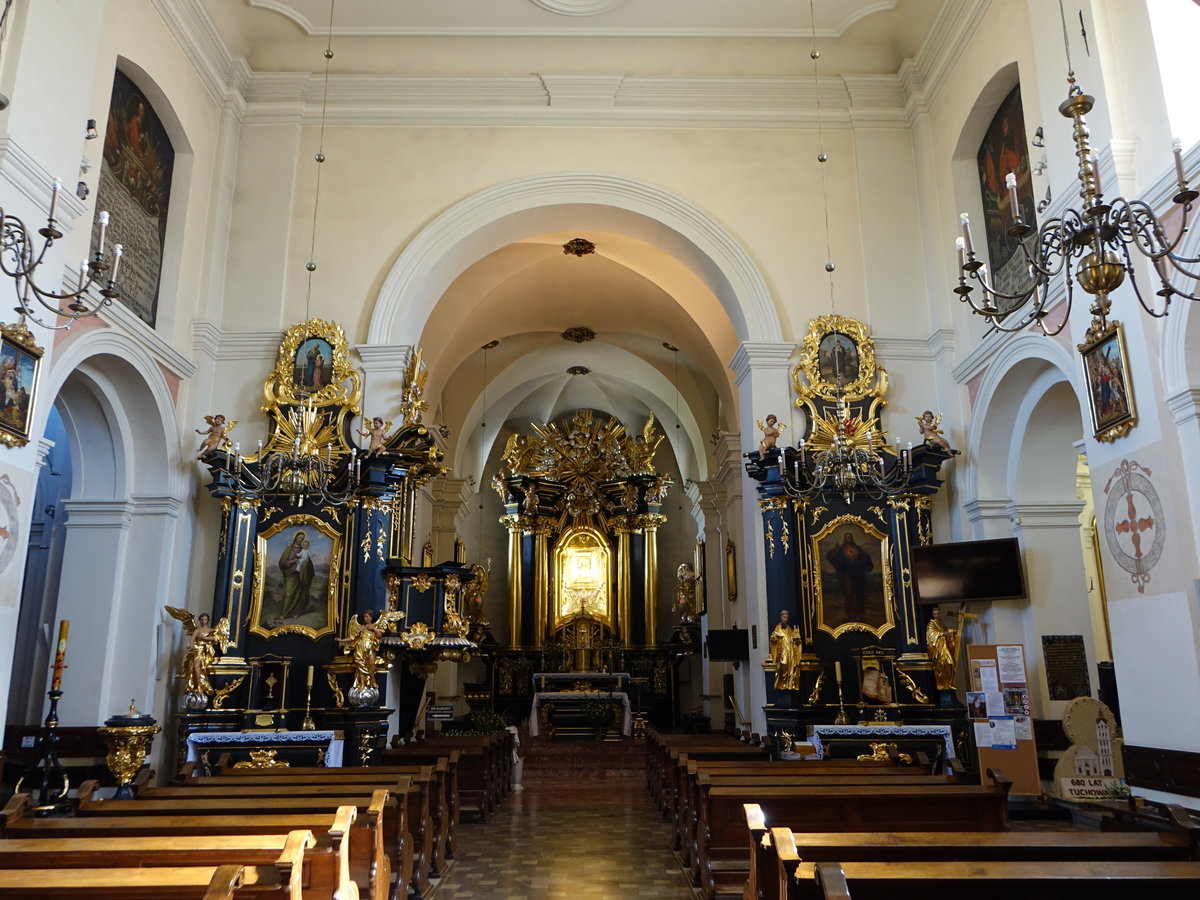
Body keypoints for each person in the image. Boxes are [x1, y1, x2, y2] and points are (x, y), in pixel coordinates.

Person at [826, 531, 874, 620]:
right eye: (847, 537)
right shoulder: (840, 549)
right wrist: (834, 551)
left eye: (850, 537)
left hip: (858, 575)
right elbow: (832, 556)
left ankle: (859, 613)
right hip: (847, 575)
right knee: (849, 594)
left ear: (852, 538)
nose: (848, 539)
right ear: (845, 539)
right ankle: (850, 614)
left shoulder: (858, 548)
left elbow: (865, 558)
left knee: (859, 594)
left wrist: (862, 558)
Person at [278, 530, 316, 620]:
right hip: (291, 574)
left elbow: (308, 562)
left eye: (302, 538)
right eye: (299, 537)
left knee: (301, 594)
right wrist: (292, 561)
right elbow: (282, 562)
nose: (301, 539)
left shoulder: (304, 550)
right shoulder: (289, 549)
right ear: (295, 538)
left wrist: (306, 567)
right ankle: (284, 613)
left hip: (302, 574)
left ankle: (297, 612)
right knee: (288, 593)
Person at [765, 608, 803, 690]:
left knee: (792, 667)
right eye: (784, 617)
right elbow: (774, 638)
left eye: (787, 618)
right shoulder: (778, 628)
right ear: (781, 618)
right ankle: (782, 683)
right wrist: (773, 639)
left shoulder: (789, 629)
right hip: (782, 652)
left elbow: (795, 640)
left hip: (790, 652)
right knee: (783, 665)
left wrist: (797, 638)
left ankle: (789, 684)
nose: (786, 619)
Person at [926, 606, 960, 691]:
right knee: (943, 664)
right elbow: (931, 635)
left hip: (944, 647)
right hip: (939, 649)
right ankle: (943, 685)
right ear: (932, 615)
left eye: (938, 614)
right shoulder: (931, 624)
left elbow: (946, 631)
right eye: (935, 614)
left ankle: (948, 683)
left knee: (950, 663)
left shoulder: (940, 624)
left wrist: (953, 631)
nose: (936, 615)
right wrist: (943, 633)